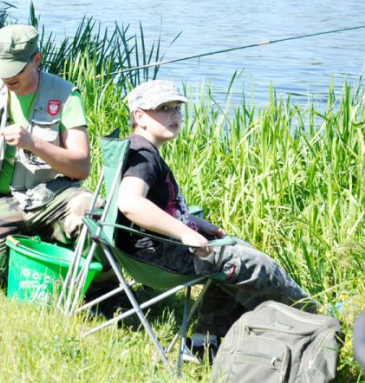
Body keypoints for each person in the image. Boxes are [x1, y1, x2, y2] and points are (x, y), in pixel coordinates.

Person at [117, 80, 319, 356]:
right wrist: (187, 234)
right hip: (162, 256)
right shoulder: (143, 156)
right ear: (139, 116)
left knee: (238, 251)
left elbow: (162, 207)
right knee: (255, 265)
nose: (175, 115)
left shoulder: (137, 149)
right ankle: (315, 320)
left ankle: (203, 346)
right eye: (164, 108)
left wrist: (197, 224)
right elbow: (130, 203)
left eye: (177, 108)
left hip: (154, 249)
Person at [0, 25, 93, 286]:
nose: (8, 78)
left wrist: (34, 143)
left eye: (15, 70)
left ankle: (100, 286)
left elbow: (82, 166)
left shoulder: (65, 95)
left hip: (53, 196)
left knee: (94, 212)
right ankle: (29, 258)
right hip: (2, 201)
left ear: (36, 59)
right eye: (2, 70)